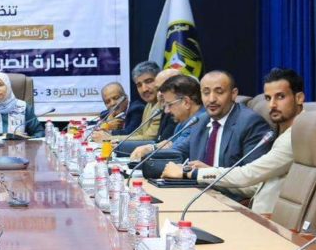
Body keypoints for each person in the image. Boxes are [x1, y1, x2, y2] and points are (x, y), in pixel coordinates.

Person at [161, 68, 304, 214]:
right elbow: (254, 184)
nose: (272, 105)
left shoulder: (296, 136)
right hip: (239, 208)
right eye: (268, 98)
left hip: (262, 217)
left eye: (280, 97)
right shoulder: (202, 120)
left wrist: (194, 173)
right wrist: (204, 174)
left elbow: (249, 174)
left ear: (299, 98)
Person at [163, 70, 272, 198]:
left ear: (233, 94)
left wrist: (205, 173)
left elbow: (253, 182)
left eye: (219, 92)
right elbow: (177, 153)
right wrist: (149, 155)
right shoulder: (201, 121)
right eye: (206, 93)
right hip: (198, 195)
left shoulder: (250, 123)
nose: (211, 99)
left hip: (230, 200)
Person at [130, 74, 204, 159]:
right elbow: (169, 143)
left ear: (186, 102)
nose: (167, 111)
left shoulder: (202, 121)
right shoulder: (181, 123)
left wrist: (151, 148)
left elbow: (177, 150)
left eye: (170, 104)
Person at [0, 72, 44, 137]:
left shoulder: (24, 107)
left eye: (0, 85)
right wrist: (4, 136)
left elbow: (39, 132)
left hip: (20, 145)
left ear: (8, 86)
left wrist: (27, 140)